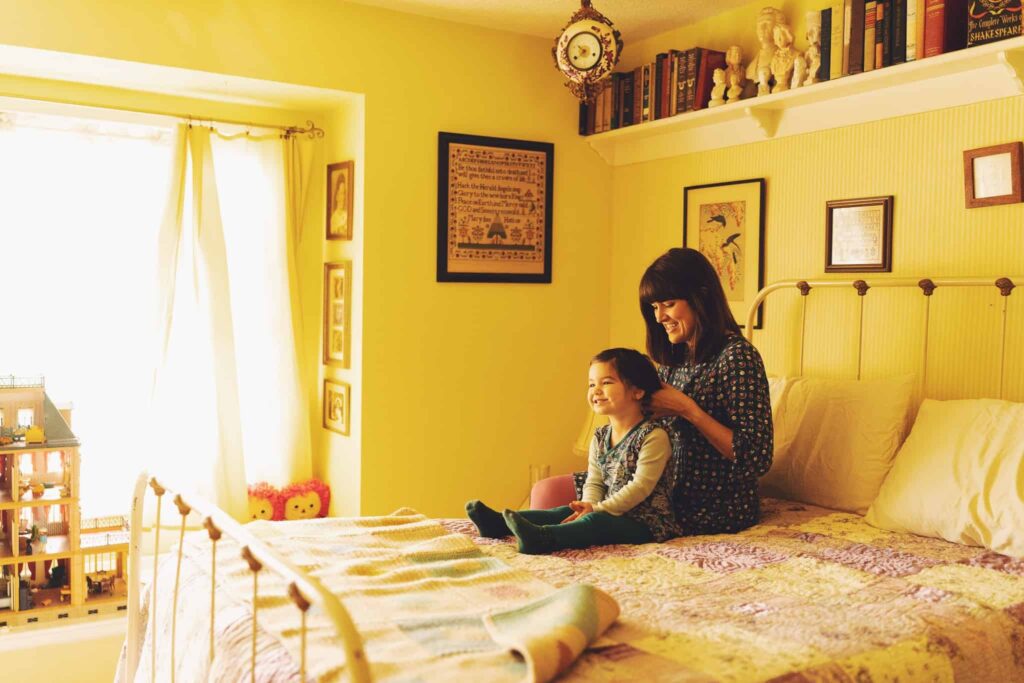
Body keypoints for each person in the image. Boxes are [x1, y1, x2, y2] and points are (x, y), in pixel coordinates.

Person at [466, 348, 680, 554]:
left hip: (647, 523)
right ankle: (498, 524)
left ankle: (544, 538)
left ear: (638, 391)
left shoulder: (654, 436)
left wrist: (596, 510)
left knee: (595, 521)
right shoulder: (600, 436)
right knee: (564, 512)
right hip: (610, 511)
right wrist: (586, 506)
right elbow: (595, 480)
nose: (596, 390)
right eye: (591, 384)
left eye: (606, 382)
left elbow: (640, 487)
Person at [639, 247, 773, 534]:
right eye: (654, 307)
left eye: (669, 304)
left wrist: (689, 411)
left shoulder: (737, 357)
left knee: (584, 517)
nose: (660, 316)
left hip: (713, 508)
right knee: (552, 491)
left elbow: (756, 457)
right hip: (664, 494)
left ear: (700, 298)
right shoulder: (675, 359)